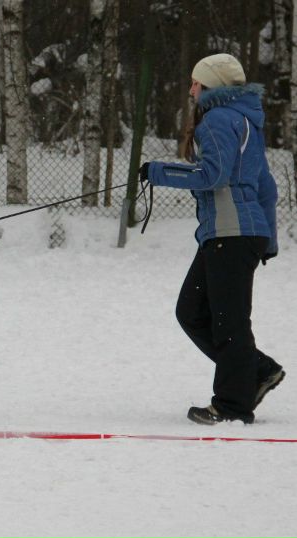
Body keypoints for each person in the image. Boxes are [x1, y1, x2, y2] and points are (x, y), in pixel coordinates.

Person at [139, 53, 284, 425]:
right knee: (192, 311)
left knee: (229, 322)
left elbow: (212, 176)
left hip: (230, 233)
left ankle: (233, 405)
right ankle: (257, 370)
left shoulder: (217, 119)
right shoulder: (246, 122)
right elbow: (266, 187)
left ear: (212, 86)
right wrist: (265, 236)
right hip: (235, 233)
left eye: (196, 82)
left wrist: (158, 171)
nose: (191, 89)